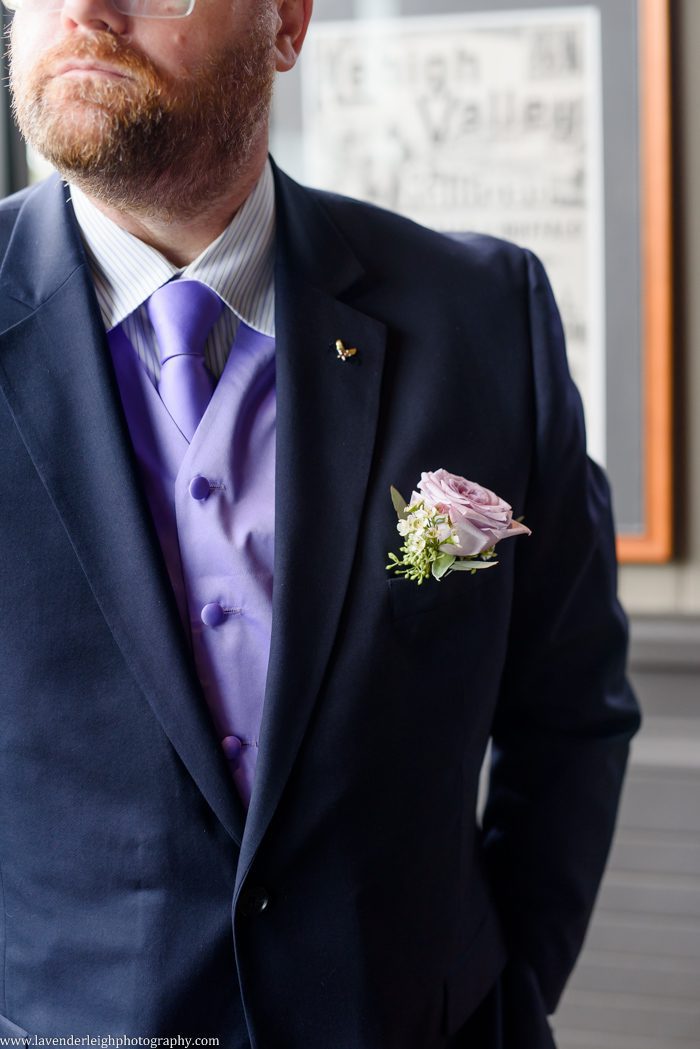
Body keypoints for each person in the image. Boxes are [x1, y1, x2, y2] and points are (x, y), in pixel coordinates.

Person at [0, 0, 639, 1045]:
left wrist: (501, 990)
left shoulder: (479, 312)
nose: (84, 11)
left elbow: (570, 710)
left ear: (287, 25)